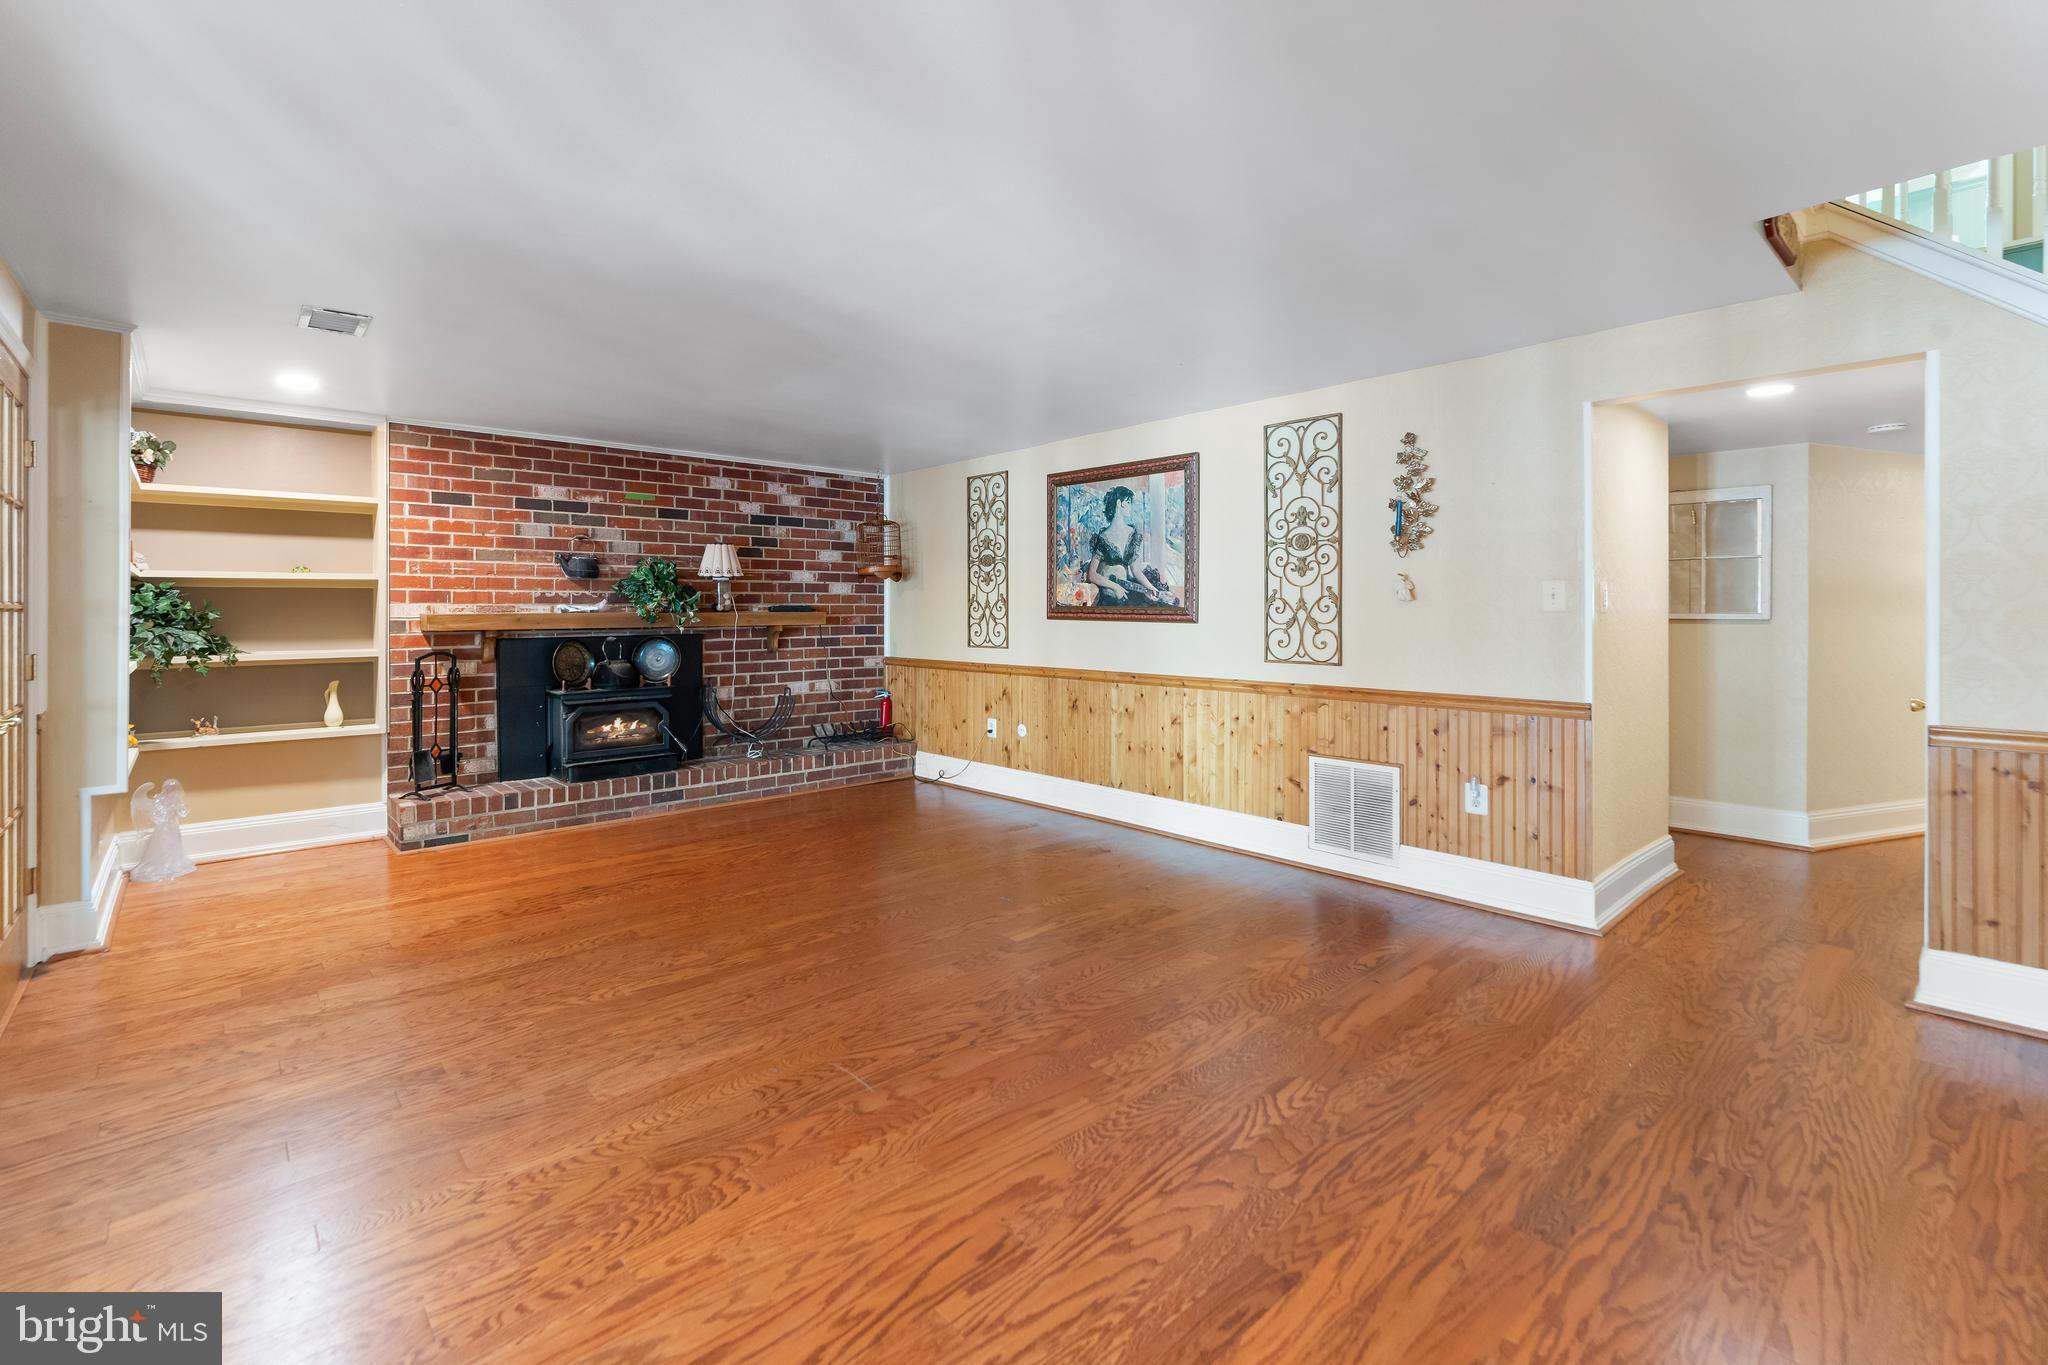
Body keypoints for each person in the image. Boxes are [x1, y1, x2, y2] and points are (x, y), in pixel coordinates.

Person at [1085, 486, 1178, 606]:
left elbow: (1135, 569)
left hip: (1127, 586)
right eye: (1128, 502)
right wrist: (1115, 587)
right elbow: (1091, 575)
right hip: (1109, 592)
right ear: (1119, 503)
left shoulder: (1133, 534)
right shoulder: (1102, 537)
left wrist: (1152, 589)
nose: (1130, 506)